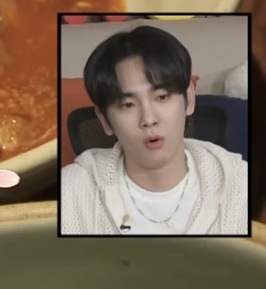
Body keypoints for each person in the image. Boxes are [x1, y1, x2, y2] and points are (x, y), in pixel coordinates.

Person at [60, 24, 249, 235]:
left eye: (162, 97)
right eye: (128, 105)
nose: (149, 119)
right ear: (104, 119)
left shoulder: (241, 185)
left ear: (189, 99)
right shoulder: (72, 191)